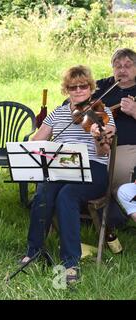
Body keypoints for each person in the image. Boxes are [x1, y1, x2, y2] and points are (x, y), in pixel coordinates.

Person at [21, 65, 115, 284]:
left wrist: (98, 138)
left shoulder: (102, 112)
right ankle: (33, 251)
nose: (79, 90)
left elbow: (104, 152)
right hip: (60, 167)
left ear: (91, 88)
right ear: (67, 90)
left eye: (84, 86)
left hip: (93, 169)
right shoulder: (58, 112)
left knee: (67, 196)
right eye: (73, 87)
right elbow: (37, 140)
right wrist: (30, 147)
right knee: (43, 192)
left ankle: (70, 263)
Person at [93, 48, 136, 193]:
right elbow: (71, 103)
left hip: (126, 145)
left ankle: (114, 204)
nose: (122, 70)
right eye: (118, 66)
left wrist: (134, 111)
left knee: (116, 168)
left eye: (128, 65)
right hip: (95, 140)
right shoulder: (103, 86)